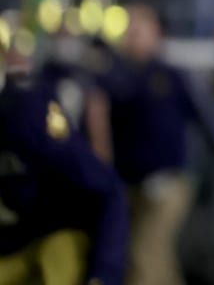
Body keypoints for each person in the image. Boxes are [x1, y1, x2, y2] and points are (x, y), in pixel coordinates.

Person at [95, 3, 214, 285]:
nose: (132, 36)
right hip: (128, 182)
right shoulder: (113, 76)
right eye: (129, 30)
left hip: (170, 180)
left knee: (148, 249)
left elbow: (209, 119)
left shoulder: (172, 76)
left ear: (155, 32)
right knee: (136, 255)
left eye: (139, 29)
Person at [0, 25, 128, 285]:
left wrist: (104, 272)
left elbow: (107, 189)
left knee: (58, 260)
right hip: (10, 241)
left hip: (55, 231)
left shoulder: (29, 115)